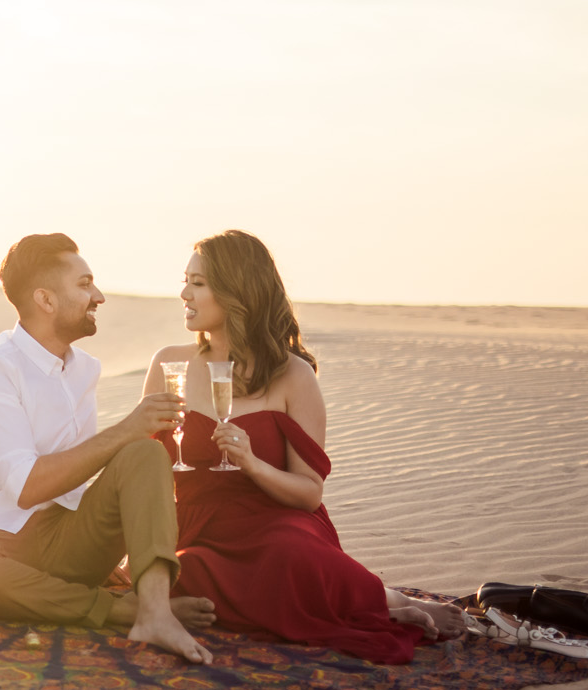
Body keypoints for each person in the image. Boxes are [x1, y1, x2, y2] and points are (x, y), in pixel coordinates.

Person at [153, 229, 465, 663]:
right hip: (196, 524)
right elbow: (148, 462)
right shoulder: (170, 364)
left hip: (276, 521)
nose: (184, 293)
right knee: (182, 571)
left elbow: (307, 494)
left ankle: (383, 600)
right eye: (185, 280)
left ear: (236, 291)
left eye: (198, 283)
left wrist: (252, 464)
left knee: (288, 555)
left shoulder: (293, 376)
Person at [0, 234, 217, 664]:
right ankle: (125, 609)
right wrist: (127, 428)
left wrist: (134, 442)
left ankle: (156, 611)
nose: (99, 296)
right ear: (46, 300)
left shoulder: (84, 369)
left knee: (144, 453)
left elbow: (84, 474)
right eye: (85, 285)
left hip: (70, 539)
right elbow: (26, 487)